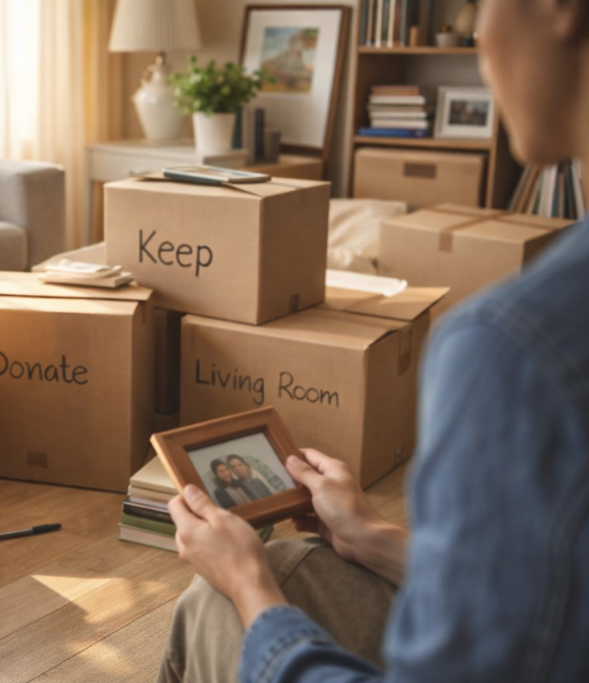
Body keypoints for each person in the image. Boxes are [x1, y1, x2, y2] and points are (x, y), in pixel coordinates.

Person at [157, 0, 589, 680]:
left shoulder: (512, 347)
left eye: (482, 7)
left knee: (225, 595)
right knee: (294, 563)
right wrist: (373, 535)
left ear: (556, 10)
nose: (480, 41)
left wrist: (249, 587)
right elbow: (545, 591)